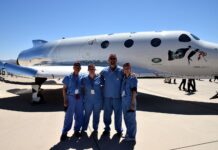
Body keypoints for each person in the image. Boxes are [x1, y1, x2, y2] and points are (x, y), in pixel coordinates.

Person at [100, 54, 124, 136]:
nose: (112, 60)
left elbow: (127, 78)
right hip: (107, 97)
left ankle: (119, 130)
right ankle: (107, 128)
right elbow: (99, 81)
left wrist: (132, 75)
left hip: (118, 97)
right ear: (108, 60)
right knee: (107, 114)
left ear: (116, 60)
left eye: (114, 58)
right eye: (111, 58)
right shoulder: (104, 71)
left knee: (118, 115)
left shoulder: (121, 71)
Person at [60, 62, 84, 141]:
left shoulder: (82, 77)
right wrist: (65, 100)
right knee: (68, 116)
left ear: (80, 68)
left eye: (78, 66)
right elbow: (64, 89)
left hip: (79, 98)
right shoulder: (68, 77)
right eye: (75, 66)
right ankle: (64, 132)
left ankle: (77, 130)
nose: (77, 68)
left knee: (79, 115)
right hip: (70, 98)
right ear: (73, 67)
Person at [82, 64, 102, 133]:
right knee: (86, 115)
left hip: (97, 101)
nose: (92, 70)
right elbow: (81, 89)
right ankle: (84, 128)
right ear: (88, 70)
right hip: (88, 101)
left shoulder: (99, 78)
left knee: (96, 116)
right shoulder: (84, 79)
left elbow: (104, 87)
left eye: (93, 69)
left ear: (95, 69)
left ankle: (95, 128)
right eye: (90, 69)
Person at [121, 63, 138, 141]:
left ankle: (132, 136)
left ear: (130, 69)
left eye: (128, 68)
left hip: (130, 101)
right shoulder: (125, 78)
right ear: (123, 70)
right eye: (125, 68)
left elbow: (134, 92)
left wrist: (132, 103)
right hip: (124, 102)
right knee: (126, 118)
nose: (126, 70)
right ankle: (128, 133)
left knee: (131, 119)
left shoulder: (133, 78)